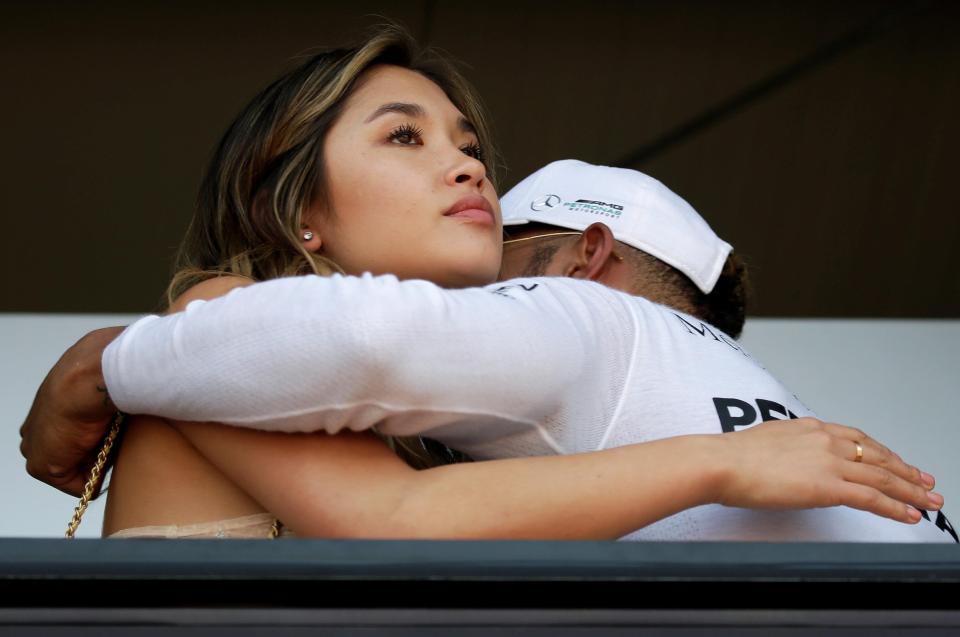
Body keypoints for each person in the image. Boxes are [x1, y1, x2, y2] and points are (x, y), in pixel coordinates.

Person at [18, 27, 942, 540]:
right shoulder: (226, 323)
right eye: (404, 136)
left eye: (470, 146)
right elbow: (393, 522)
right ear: (300, 209)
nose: (468, 169)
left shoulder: (432, 417)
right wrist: (721, 459)